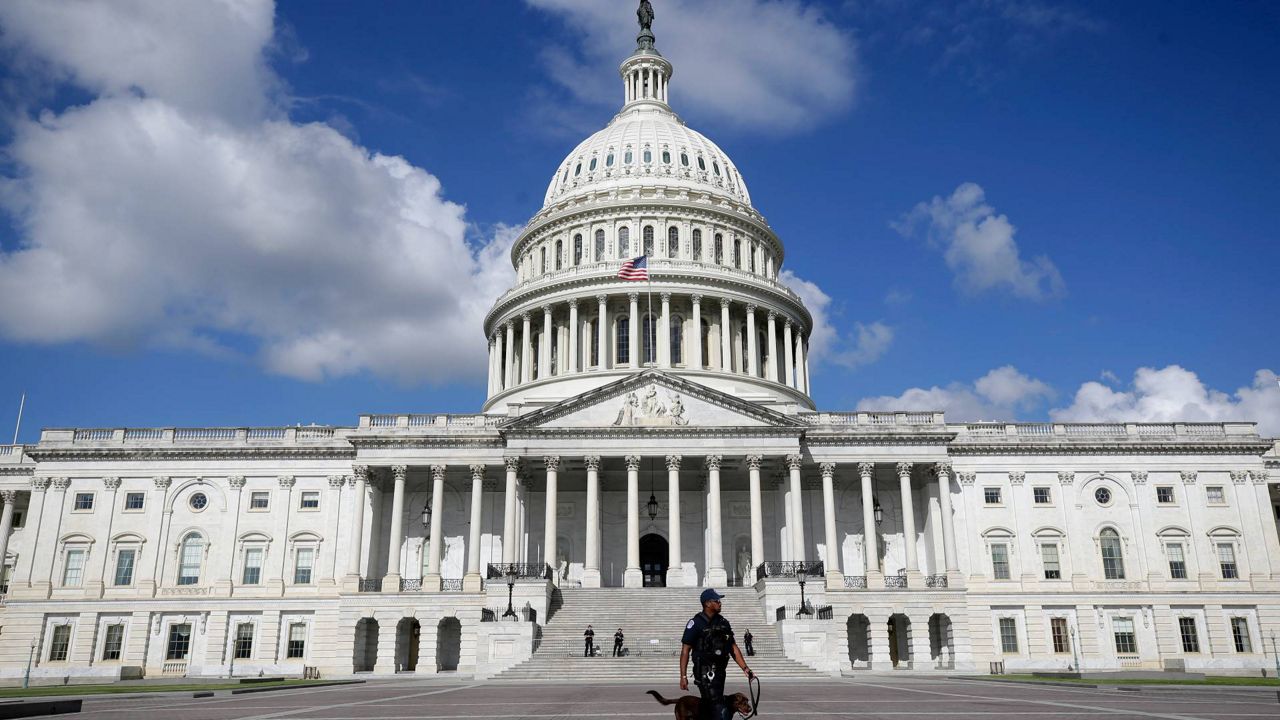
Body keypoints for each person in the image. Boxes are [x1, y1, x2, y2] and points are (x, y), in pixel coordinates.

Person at [680, 588, 753, 720]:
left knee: (711, 705)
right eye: (717, 600)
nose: (720, 603)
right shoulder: (695, 623)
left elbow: (732, 647)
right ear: (707, 603)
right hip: (703, 672)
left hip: (719, 672)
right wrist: (683, 676)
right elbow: (685, 650)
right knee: (717, 705)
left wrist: (745, 668)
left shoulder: (723, 622)